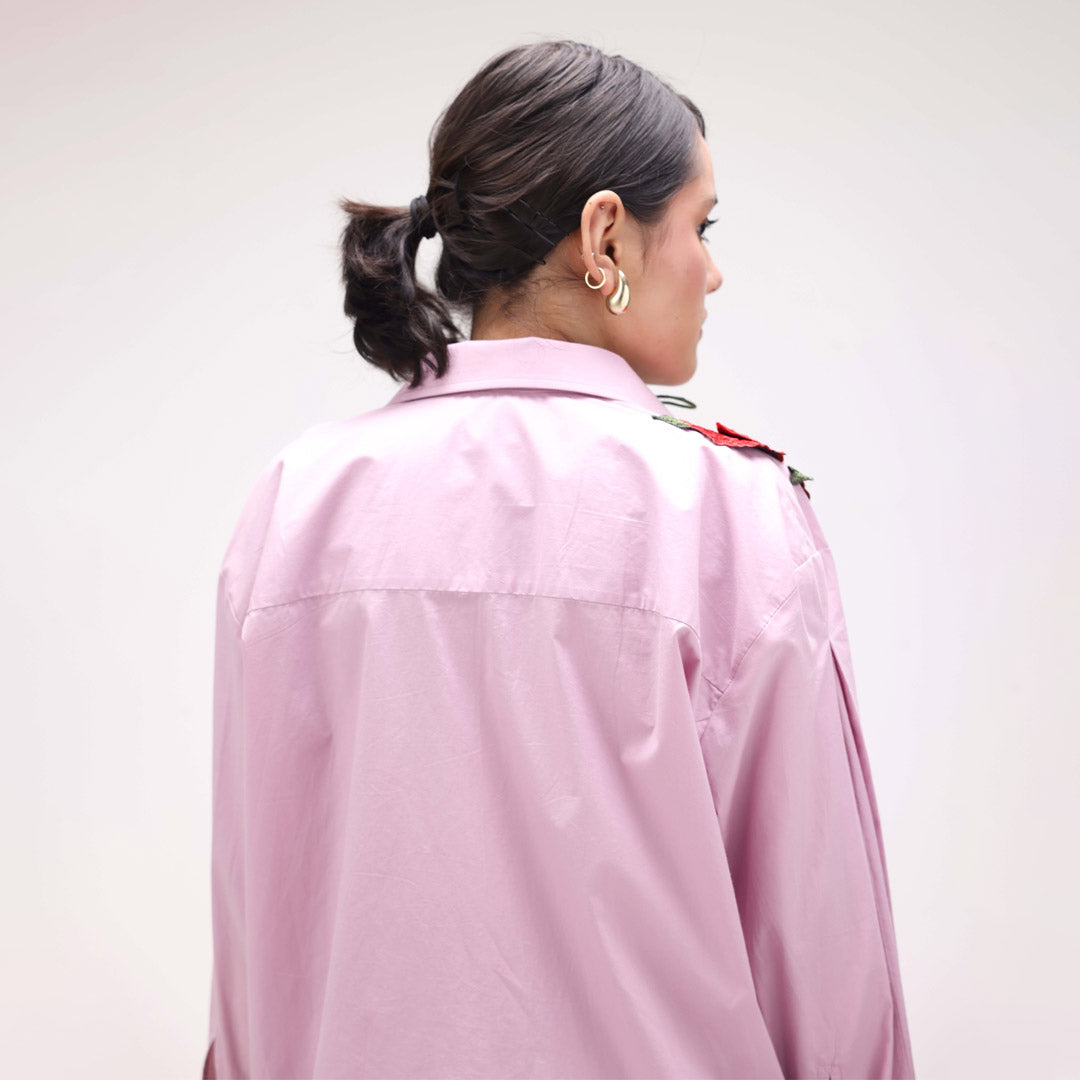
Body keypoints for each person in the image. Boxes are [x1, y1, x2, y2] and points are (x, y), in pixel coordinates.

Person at [203, 38, 916, 1080]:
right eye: (701, 227)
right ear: (604, 236)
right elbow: (820, 942)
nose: (713, 270)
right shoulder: (726, 512)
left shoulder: (295, 501)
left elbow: (255, 925)